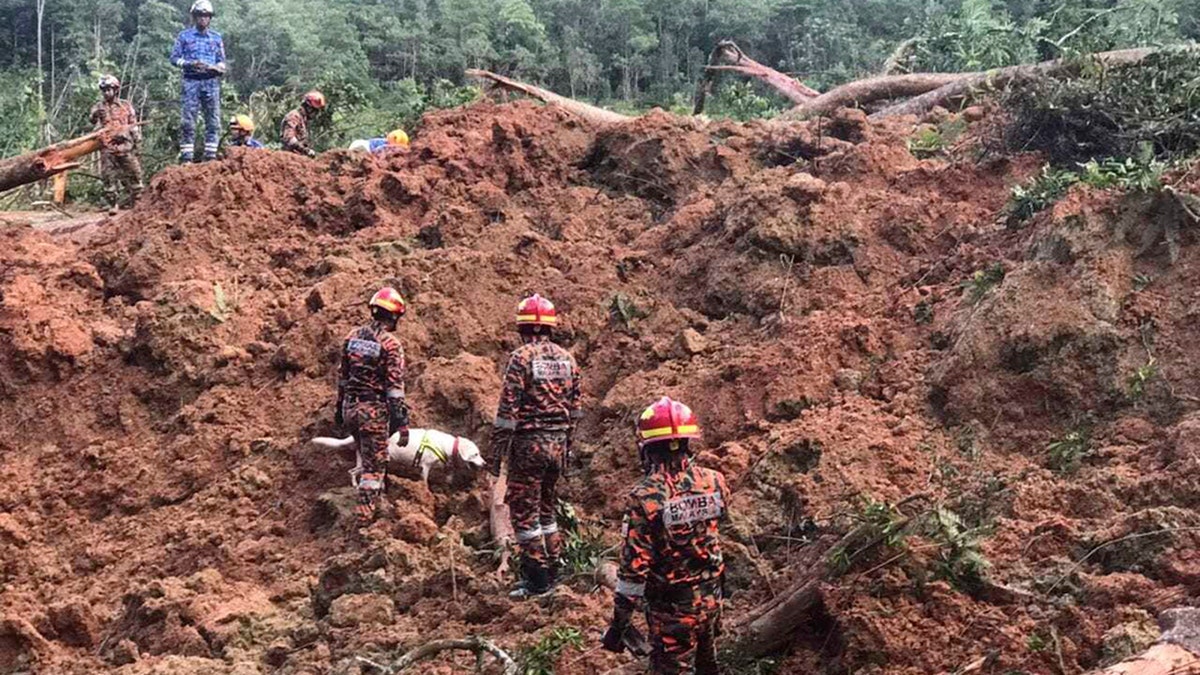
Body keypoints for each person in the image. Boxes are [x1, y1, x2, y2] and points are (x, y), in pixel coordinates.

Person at [602, 396, 729, 675]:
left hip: (672, 613)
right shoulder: (714, 481)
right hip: (712, 601)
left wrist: (619, 624)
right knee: (708, 667)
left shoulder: (644, 498)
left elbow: (634, 571)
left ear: (647, 448)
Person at [488, 293, 582, 598]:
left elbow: (507, 412)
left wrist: (497, 453)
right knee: (547, 508)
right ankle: (555, 568)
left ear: (523, 327)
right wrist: (567, 444)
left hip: (529, 446)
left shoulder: (521, 358)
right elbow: (577, 408)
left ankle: (537, 579)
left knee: (524, 513)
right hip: (558, 445)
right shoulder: (569, 360)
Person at [335, 287, 410, 531]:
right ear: (394, 317)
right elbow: (394, 387)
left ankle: (379, 502)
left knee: (367, 456)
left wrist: (339, 408)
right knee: (374, 467)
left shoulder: (352, 337)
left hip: (350, 408)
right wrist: (402, 421)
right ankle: (364, 520)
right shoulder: (390, 344)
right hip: (373, 412)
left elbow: (343, 377)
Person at [170, 0, 225, 162]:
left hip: (210, 82)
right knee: (188, 121)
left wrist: (216, 68)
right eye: (200, 15)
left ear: (210, 18)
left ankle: (210, 156)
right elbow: (174, 59)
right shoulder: (184, 36)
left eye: (206, 16)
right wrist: (189, 63)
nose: (203, 19)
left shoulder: (216, 38)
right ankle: (187, 157)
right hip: (191, 81)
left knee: (213, 121)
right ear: (195, 17)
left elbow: (222, 61)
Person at [89, 75, 144, 215]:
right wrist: (95, 114)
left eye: (109, 90)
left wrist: (137, 141)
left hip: (126, 145)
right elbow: (92, 121)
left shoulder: (125, 105)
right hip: (108, 146)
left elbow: (133, 124)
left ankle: (138, 201)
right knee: (108, 176)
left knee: (134, 173)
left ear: (116, 90)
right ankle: (113, 204)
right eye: (104, 90)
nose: (106, 93)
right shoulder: (99, 106)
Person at [280, 90, 325, 156]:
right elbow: (289, 138)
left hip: (300, 156)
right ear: (308, 107)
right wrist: (305, 150)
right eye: (315, 111)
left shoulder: (303, 119)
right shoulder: (294, 116)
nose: (315, 114)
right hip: (290, 156)